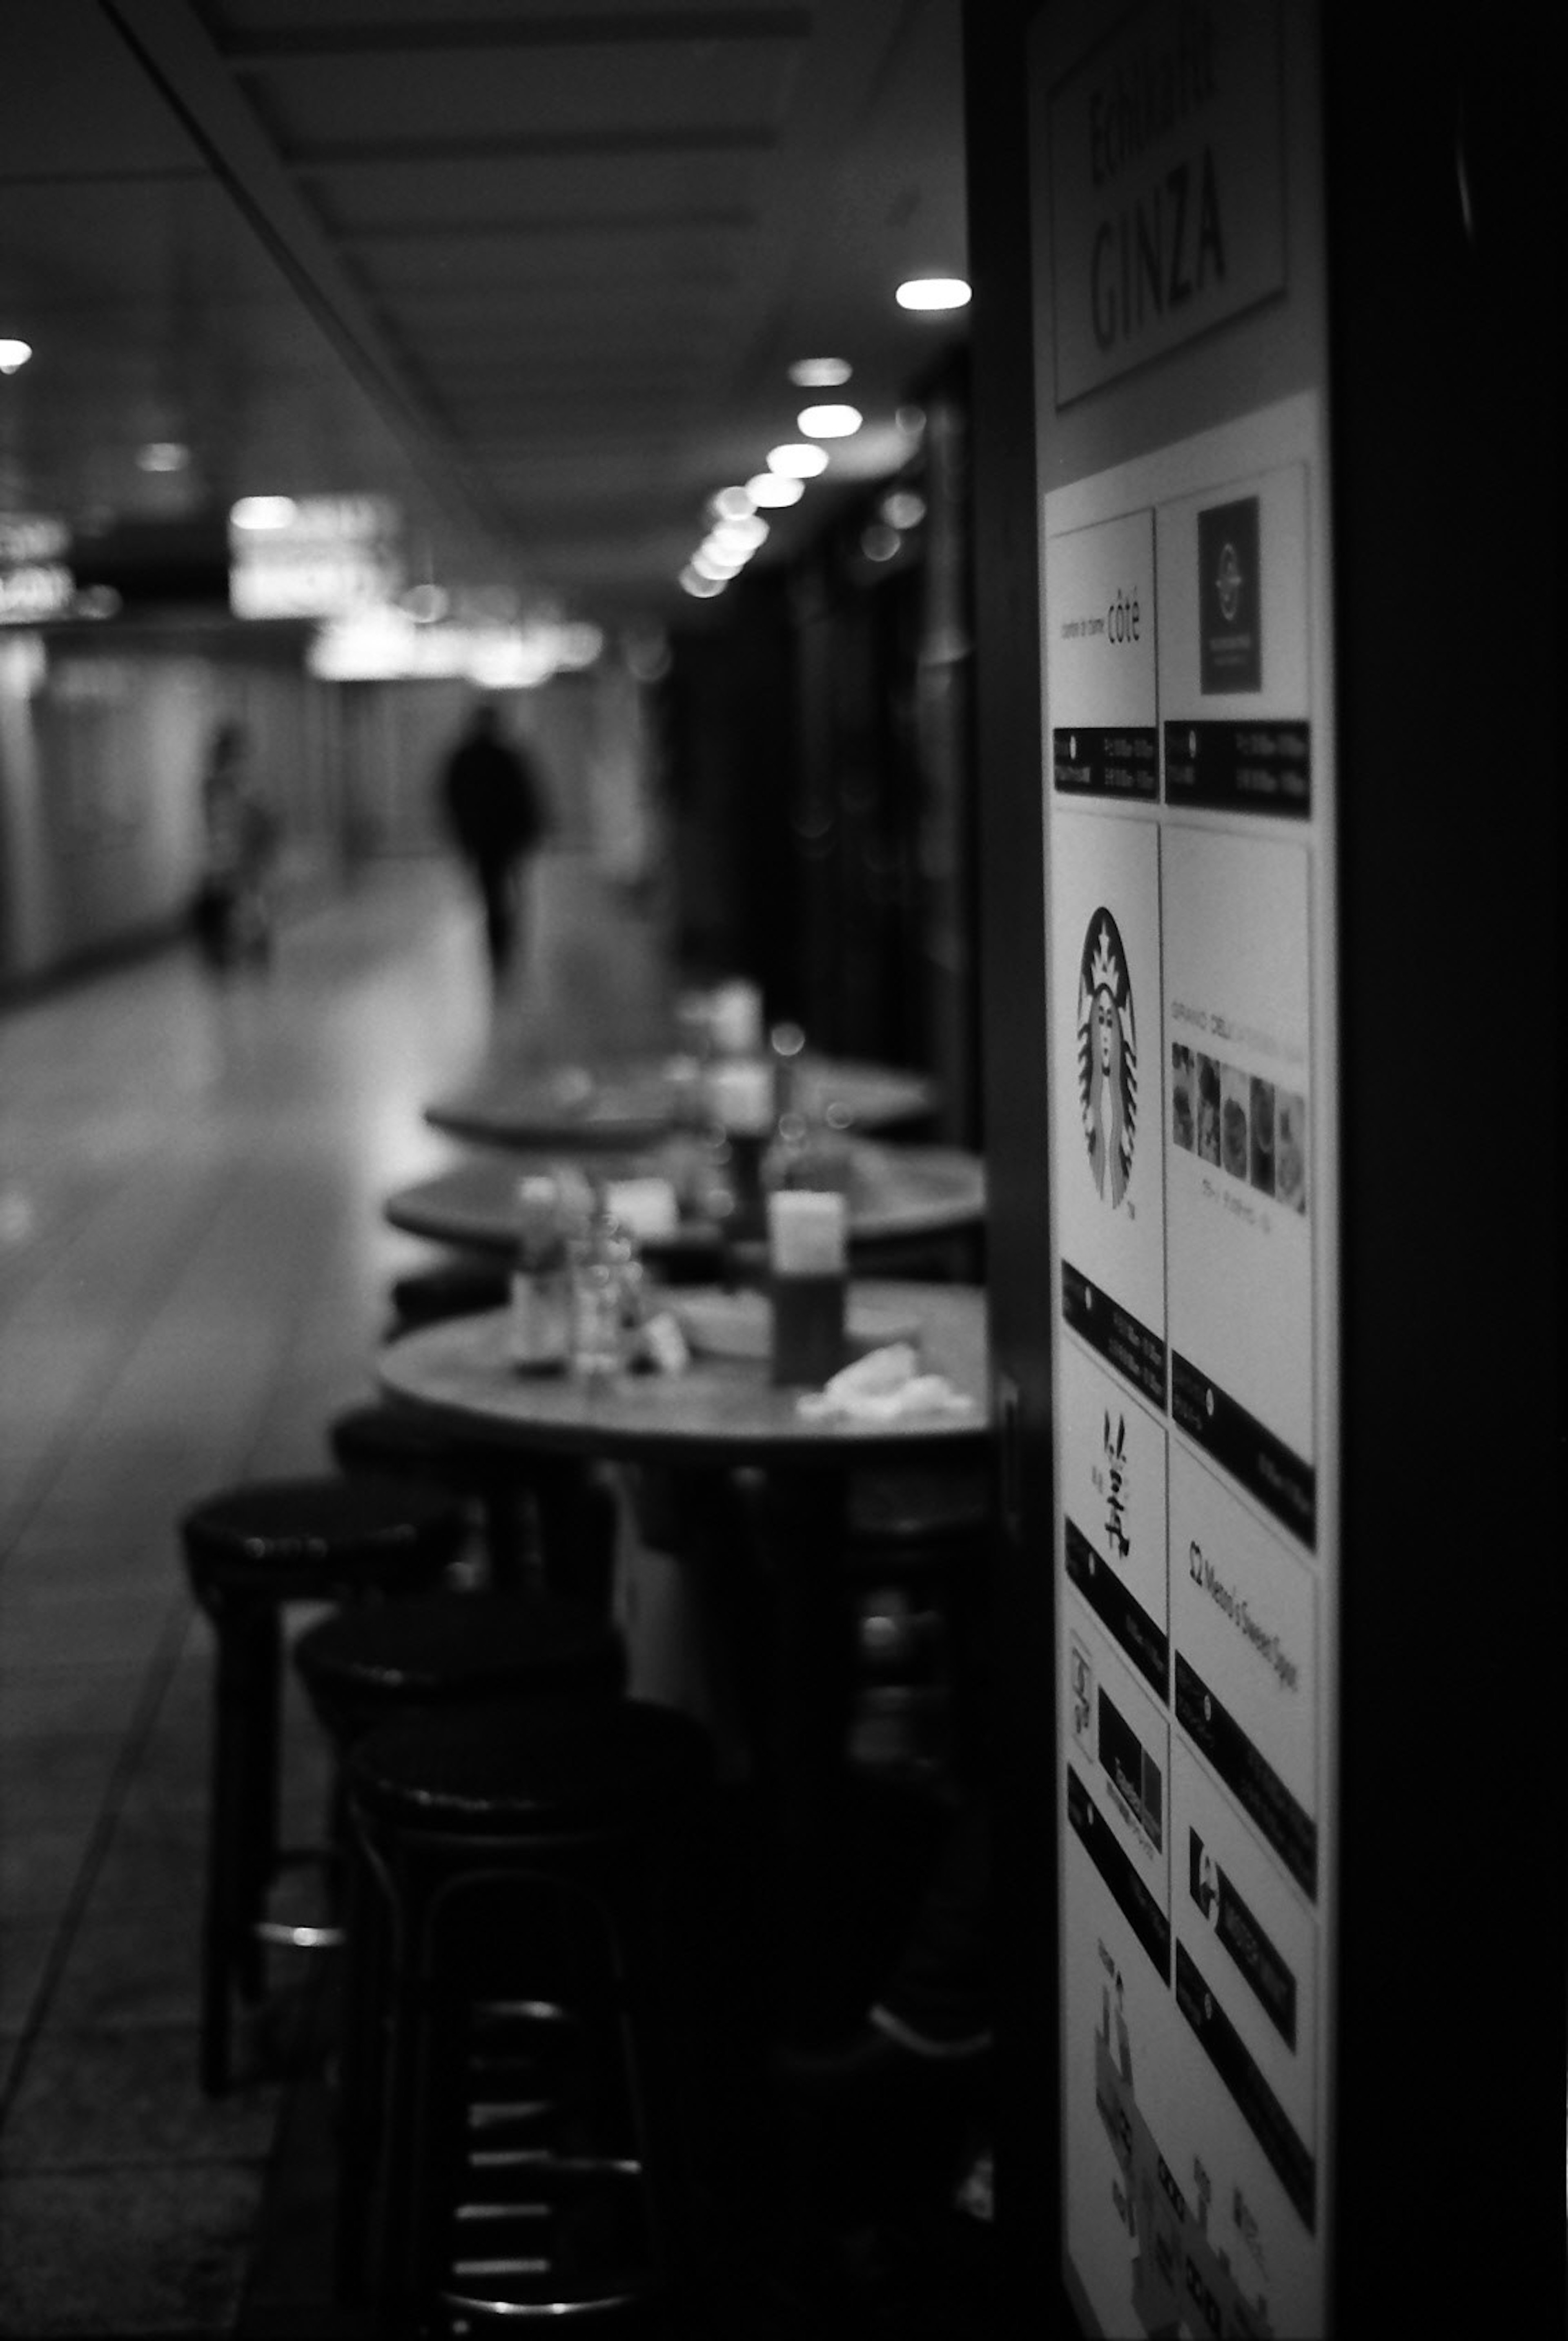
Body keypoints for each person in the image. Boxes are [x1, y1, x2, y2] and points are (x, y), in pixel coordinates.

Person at [437, 698, 550, 991]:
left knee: (494, 894)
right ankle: (504, 942)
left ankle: (501, 944)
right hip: (503, 839)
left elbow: (452, 801)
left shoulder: (466, 758)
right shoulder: (505, 757)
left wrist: (461, 836)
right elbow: (526, 797)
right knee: (505, 893)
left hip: (488, 839)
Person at [192, 720, 279, 975]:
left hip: (245, 851)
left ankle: (250, 947)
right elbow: (218, 821)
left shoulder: (241, 782)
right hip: (230, 852)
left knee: (248, 900)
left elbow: (259, 816)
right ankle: (231, 949)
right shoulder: (218, 784)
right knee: (234, 901)